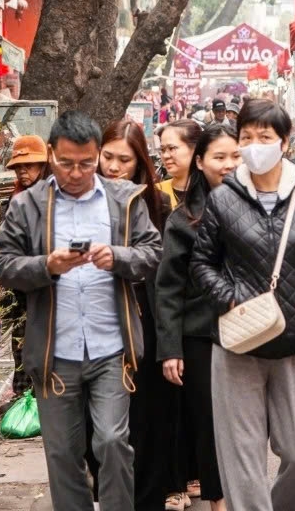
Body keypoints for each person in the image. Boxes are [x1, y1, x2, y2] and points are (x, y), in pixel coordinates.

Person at [0, 111, 161, 511]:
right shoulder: (28, 205)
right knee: (63, 453)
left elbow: (153, 253)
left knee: (112, 441)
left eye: (87, 163)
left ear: (98, 155)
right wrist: (46, 266)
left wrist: (117, 257)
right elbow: (3, 264)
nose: (76, 172)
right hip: (56, 352)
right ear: (52, 154)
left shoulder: (125, 199)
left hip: (111, 348)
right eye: (66, 162)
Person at [191, 100, 295, 511]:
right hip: (237, 342)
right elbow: (202, 263)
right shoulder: (223, 199)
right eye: (247, 137)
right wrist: (230, 298)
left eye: (265, 137)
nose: (255, 145)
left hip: (294, 341)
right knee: (242, 459)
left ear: (285, 142)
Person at [100, 121, 189, 511]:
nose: (114, 167)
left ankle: (148, 498)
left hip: (145, 319)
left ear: (139, 163)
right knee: (105, 427)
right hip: (100, 320)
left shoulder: (157, 203)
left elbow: (163, 274)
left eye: (125, 160)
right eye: (108, 157)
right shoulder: (82, 197)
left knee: (148, 417)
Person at [156, 124, 242, 511]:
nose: (228, 165)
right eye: (219, 157)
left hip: (253, 331)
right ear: (201, 161)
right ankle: (219, 503)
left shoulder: (265, 204)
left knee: (247, 424)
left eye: (235, 155)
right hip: (200, 335)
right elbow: (168, 287)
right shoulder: (184, 218)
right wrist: (170, 348)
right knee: (209, 426)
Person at [2, 136, 50, 400]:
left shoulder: (54, 197)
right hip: (20, 286)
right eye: (19, 166)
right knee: (20, 343)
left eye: (30, 165)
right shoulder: (15, 196)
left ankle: (45, 399)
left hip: (46, 285)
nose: (23, 171)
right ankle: (23, 398)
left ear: (43, 165)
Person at [157, 120, 203, 211]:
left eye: (172, 148)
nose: (165, 155)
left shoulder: (212, 192)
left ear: (195, 149)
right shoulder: (157, 192)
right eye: (162, 150)